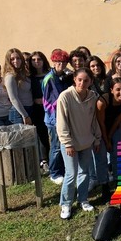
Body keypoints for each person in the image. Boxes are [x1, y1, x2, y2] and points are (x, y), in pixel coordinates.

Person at [57, 68, 101, 219]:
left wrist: (97, 138)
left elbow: (94, 120)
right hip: (70, 144)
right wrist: (68, 143)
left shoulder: (93, 97)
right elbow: (61, 122)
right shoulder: (65, 97)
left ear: (91, 82)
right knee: (71, 173)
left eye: (86, 80)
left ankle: (83, 199)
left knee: (84, 172)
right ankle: (66, 203)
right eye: (80, 79)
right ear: (74, 79)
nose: (82, 83)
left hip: (87, 142)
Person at [97, 77, 121, 185]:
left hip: (114, 127)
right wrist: (106, 140)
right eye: (118, 89)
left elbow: (118, 120)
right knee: (102, 157)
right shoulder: (103, 101)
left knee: (116, 154)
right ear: (111, 90)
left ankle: (117, 179)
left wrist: (110, 138)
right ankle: (103, 183)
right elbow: (101, 123)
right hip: (99, 129)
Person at [42, 49, 72, 185]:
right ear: (53, 62)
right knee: (56, 146)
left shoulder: (64, 76)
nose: (61, 64)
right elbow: (49, 102)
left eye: (64, 62)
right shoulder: (49, 78)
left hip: (64, 117)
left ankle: (62, 170)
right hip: (54, 119)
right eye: (58, 62)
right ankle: (54, 173)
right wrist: (56, 120)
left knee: (63, 145)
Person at [27, 51, 51, 171]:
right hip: (37, 110)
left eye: (39, 59)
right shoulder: (29, 77)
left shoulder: (50, 74)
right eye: (34, 60)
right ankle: (44, 160)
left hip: (51, 109)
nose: (37, 62)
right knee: (41, 134)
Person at [4, 48, 33, 125]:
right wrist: (25, 116)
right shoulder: (10, 76)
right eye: (12, 59)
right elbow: (13, 98)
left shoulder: (22, 74)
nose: (16, 61)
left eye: (18, 58)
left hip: (28, 109)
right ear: (8, 61)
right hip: (19, 113)